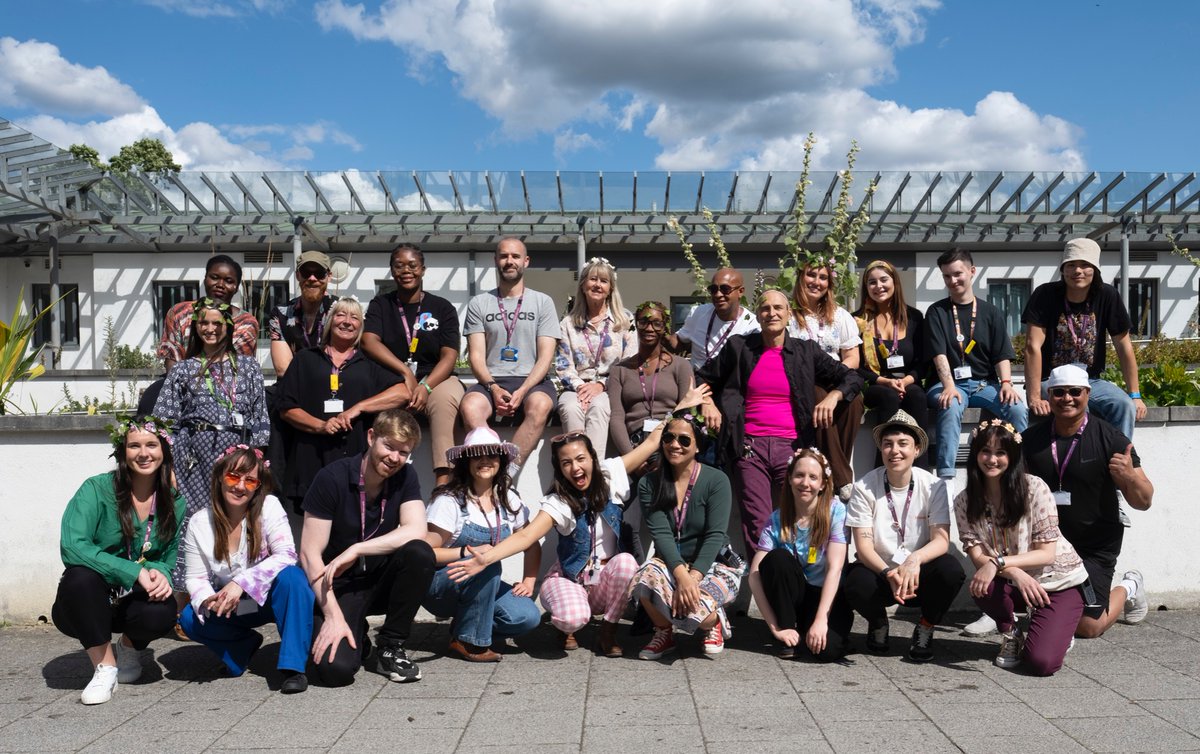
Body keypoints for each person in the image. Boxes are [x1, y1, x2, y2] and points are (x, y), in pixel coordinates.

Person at [446, 388, 709, 657]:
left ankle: (608, 631)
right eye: (566, 463)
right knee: (572, 617)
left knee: (627, 562)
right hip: (570, 579)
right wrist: (486, 558)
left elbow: (652, 442)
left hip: (605, 581)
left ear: (593, 459)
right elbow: (526, 537)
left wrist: (680, 408)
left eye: (581, 459)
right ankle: (566, 627)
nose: (575, 468)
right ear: (559, 469)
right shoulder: (558, 502)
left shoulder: (611, 475)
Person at [698, 289, 862, 556]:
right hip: (749, 448)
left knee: (800, 522)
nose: (771, 313)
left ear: (788, 315)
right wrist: (707, 403)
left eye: (778, 308)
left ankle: (799, 583)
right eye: (765, 308)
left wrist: (833, 396)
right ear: (758, 315)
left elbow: (852, 378)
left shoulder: (805, 351)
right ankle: (765, 588)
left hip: (794, 449)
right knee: (759, 525)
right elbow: (701, 377)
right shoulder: (739, 347)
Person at [299, 409, 436, 686]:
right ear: (371, 437)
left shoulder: (406, 476)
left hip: (379, 579)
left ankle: (390, 646)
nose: (394, 458)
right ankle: (354, 629)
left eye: (403, 452)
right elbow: (308, 554)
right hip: (338, 585)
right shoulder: (332, 478)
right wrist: (333, 616)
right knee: (334, 672)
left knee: (419, 554)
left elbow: (417, 529)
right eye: (389, 446)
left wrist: (358, 549)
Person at [52, 416, 183, 705]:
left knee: (164, 607)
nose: (144, 453)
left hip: (130, 601)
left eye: (152, 444)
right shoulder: (96, 489)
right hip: (85, 602)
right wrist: (132, 571)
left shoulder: (174, 500)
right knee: (80, 577)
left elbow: (167, 556)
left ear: (164, 450)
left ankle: (127, 648)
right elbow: (73, 546)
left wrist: (160, 573)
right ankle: (106, 667)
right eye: (134, 445)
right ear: (122, 452)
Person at [1022, 364, 1153, 639]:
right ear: (1048, 396)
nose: (1067, 398)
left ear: (1087, 394)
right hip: (1048, 546)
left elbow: (1144, 501)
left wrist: (1128, 476)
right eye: (1059, 392)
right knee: (1033, 607)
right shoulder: (1030, 440)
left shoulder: (1112, 439)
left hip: (1095, 546)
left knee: (1088, 627)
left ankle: (1129, 587)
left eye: (1074, 392)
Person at [956, 420, 1090, 676]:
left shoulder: (1034, 488)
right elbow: (978, 558)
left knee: (1041, 663)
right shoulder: (964, 501)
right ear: (975, 455)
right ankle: (1011, 633)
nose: (992, 459)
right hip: (1015, 580)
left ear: (1013, 455)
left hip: (1057, 580)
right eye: (985, 451)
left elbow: (1046, 554)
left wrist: (999, 563)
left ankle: (1059, 632)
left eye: (1000, 452)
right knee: (981, 585)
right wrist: (1014, 572)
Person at [178, 446, 313, 693]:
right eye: (233, 476)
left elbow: (287, 555)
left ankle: (294, 667)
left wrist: (240, 582)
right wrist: (209, 599)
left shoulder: (268, 506)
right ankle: (241, 648)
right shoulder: (199, 522)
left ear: (257, 486)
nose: (240, 486)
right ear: (219, 477)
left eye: (250, 480)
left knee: (293, 578)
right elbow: (195, 577)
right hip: (238, 607)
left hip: (271, 599)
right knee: (189, 617)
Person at [153, 298, 269, 585]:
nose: (210, 328)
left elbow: (260, 417)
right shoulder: (183, 369)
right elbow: (162, 423)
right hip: (192, 459)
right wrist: (170, 467)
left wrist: (253, 459)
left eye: (217, 323)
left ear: (228, 328)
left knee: (234, 520)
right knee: (193, 521)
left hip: (237, 456)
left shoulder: (248, 367)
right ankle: (185, 598)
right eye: (203, 322)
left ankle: (233, 592)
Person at [843, 410, 965, 662]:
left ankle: (926, 626)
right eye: (887, 444)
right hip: (881, 572)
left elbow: (941, 540)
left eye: (903, 444)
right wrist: (888, 573)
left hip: (919, 572)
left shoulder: (934, 486)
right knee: (855, 582)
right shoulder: (865, 487)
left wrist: (914, 561)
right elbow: (863, 547)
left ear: (917, 449)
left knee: (951, 570)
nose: (894, 451)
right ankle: (878, 623)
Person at [277, 296, 410, 513]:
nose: (347, 321)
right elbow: (286, 408)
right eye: (341, 315)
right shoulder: (305, 359)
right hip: (312, 461)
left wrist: (359, 408)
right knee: (315, 534)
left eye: (354, 317)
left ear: (360, 327)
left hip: (356, 463)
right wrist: (321, 426)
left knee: (351, 526)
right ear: (330, 321)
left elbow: (402, 392)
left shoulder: (369, 364)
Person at [423, 428, 542, 663]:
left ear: (501, 461)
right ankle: (470, 642)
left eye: (492, 455)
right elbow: (426, 554)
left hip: (482, 580)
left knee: (527, 617)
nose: (485, 460)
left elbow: (531, 542)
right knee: (487, 564)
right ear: (466, 462)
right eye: (477, 455)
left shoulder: (509, 499)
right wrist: (468, 554)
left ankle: (464, 628)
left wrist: (529, 580)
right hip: (440, 585)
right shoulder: (449, 501)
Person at [631, 416, 741, 659]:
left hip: (714, 564)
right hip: (673, 564)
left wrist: (693, 577)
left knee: (698, 609)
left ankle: (713, 622)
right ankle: (663, 632)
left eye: (684, 439)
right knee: (643, 576)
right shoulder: (649, 483)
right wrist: (681, 575)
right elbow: (661, 534)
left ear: (698, 445)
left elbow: (715, 535)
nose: (675, 444)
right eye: (669, 438)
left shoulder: (717, 480)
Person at [1023, 237, 1146, 440]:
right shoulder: (1044, 294)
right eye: (1071, 265)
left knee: (1123, 406)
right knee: (1080, 407)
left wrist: (1135, 395)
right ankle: (1082, 461)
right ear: (1063, 269)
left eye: (1084, 265)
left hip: (1090, 380)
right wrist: (1034, 396)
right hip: (1052, 379)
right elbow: (1032, 347)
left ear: (1095, 269)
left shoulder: (1108, 295)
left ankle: (1121, 459)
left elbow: (1124, 346)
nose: (1077, 271)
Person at [362, 242, 464, 487]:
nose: (406, 270)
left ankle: (443, 480)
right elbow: (368, 341)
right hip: (393, 377)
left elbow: (449, 356)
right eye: (399, 266)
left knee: (445, 399)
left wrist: (426, 386)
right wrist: (404, 371)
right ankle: (375, 476)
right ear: (392, 270)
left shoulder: (443, 307)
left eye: (412, 265)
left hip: (436, 378)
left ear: (423, 270)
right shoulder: (381, 305)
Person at [460, 237, 560, 478]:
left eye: (515, 256)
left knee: (541, 406)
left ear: (526, 261)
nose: (509, 261)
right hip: (491, 380)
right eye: (504, 256)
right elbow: (476, 356)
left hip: (532, 380)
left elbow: (546, 357)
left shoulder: (543, 302)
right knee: (470, 406)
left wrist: (524, 389)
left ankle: (506, 473)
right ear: (496, 261)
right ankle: (490, 465)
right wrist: (493, 388)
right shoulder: (479, 303)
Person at [925, 248, 1028, 481]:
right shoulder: (936, 312)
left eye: (958, 274)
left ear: (972, 272)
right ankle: (946, 478)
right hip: (946, 384)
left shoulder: (991, 312)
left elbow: (1001, 353)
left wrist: (1007, 383)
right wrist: (949, 386)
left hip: (983, 384)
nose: (953, 280)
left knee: (1017, 409)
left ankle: (1019, 471)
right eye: (947, 276)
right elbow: (938, 354)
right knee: (950, 405)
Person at [748, 447, 852, 661]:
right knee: (777, 559)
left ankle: (812, 630)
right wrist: (775, 627)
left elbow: (835, 569)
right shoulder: (777, 519)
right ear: (789, 478)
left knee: (827, 652)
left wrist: (822, 619)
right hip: (797, 597)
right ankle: (788, 632)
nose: (805, 483)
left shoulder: (836, 511)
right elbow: (754, 575)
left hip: (827, 596)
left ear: (823, 483)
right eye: (799, 475)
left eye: (813, 477)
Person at [788, 260, 865, 497]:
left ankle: (829, 473)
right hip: (803, 381)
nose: (817, 282)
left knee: (855, 401)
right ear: (801, 278)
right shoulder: (789, 316)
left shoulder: (840, 315)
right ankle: (842, 478)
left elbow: (852, 357)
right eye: (811, 275)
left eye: (823, 278)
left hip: (836, 376)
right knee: (818, 395)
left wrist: (838, 382)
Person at [554, 257, 638, 458]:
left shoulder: (625, 320)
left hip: (611, 387)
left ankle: (595, 471)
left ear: (610, 288)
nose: (597, 285)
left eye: (603, 281)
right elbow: (563, 364)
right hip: (575, 387)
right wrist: (581, 388)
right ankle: (576, 467)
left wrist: (601, 385)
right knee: (569, 406)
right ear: (583, 285)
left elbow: (631, 361)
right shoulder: (568, 323)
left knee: (599, 406)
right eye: (592, 279)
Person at [854, 260, 931, 468]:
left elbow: (922, 362)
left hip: (907, 382)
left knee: (917, 395)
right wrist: (885, 382)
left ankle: (921, 468)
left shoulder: (914, 317)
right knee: (888, 396)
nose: (878, 286)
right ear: (866, 288)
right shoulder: (858, 321)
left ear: (895, 282)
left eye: (883, 280)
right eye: (872, 282)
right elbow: (857, 367)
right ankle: (883, 469)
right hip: (875, 385)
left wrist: (906, 381)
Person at [607, 301, 695, 457]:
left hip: (670, 444)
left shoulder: (680, 366)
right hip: (635, 445)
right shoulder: (619, 370)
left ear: (665, 328)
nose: (649, 328)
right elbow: (616, 418)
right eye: (643, 322)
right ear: (635, 326)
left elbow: (687, 410)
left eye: (656, 323)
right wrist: (632, 458)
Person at [156, 254, 260, 373]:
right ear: (205, 279)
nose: (220, 285)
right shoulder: (180, 313)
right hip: (181, 383)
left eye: (228, 281)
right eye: (214, 277)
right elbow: (172, 359)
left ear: (236, 287)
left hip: (230, 386)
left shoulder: (246, 323)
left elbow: (242, 368)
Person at [669, 267, 759, 371]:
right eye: (713, 289)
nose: (718, 294)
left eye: (725, 289)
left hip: (729, 385)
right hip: (698, 383)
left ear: (740, 291)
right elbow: (679, 342)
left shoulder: (751, 326)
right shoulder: (699, 313)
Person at [267, 250, 337, 378]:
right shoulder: (281, 313)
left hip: (333, 388)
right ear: (298, 275)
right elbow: (283, 369)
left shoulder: (341, 310)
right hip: (292, 389)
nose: (312, 278)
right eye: (306, 273)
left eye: (319, 273)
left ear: (329, 276)